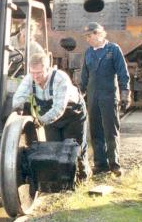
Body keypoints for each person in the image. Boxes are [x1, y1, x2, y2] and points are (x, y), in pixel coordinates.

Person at [12, 52, 91, 180]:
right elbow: (19, 97)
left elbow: (59, 109)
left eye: (39, 73)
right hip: (49, 117)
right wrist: (18, 109)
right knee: (53, 148)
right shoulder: (30, 78)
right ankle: (59, 183)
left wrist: (41, 121)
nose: (35, 77)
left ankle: (82, 177)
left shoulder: (60, 78)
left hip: (72, 114)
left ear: (47, 69)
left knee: (74, 148)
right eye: (33, 73)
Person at [80, 22, 131, 177]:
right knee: (95, 131)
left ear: (98, 34)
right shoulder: (88, 53)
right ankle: (100, 164)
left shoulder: (113, 50)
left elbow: (123, 73)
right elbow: (84, 76)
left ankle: (114, 164)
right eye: (86, 36)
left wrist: (125, 93)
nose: (87, 39)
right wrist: (79, 94)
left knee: (111, 130)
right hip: (93, 96)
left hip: (109, 95)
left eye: (89, 36)